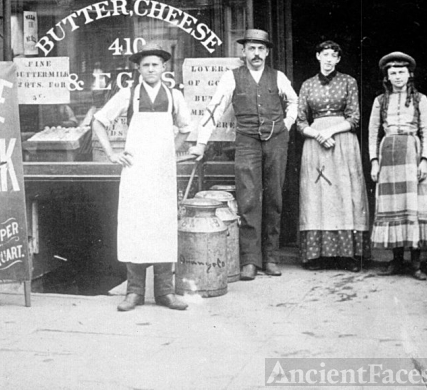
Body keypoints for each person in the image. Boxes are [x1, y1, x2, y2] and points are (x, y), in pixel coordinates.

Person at [190, 29, 297, 280]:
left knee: (274, 197)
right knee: (248, 197)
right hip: (247, 142)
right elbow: (214, 108)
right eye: (252, 48)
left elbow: (294, 102)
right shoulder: (232, 77)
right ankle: (250, 260)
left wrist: (286, 124)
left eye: (261, 49)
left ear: (267, 52)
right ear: (244, 51)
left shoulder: (278, 77)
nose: (256, 53)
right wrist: (201, 143)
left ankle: (271, 257)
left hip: (276, 141)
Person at [93, 42, 192, 310]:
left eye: (155, 65)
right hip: (135, 171)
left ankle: (165, 292)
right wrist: (111, 154)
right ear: (138, 68)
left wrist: (170, 151)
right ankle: (134, 292)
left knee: (163, 225)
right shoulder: (128, 95)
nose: (150, 69)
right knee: (134, 225)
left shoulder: (174, 97)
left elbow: (185, 128)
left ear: (163, 68)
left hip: (162, 173)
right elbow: (99, 121)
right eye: (145, 65)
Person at [296, 41, 369, 271]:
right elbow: (300, 122)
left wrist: (330, 131)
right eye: (325, 54)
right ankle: (317, 256)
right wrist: (318, 135)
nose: (329, 59)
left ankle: (349, 256)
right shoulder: (307, 85)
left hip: (342, 141)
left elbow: (354, 118)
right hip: (315, 145)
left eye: (333, 56)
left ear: (338, 59)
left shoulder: (349, 82)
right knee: (317, 195)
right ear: (318, 56)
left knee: (345, 192)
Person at [369, 51, 427, 280]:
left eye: (401, 72)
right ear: (387, 76)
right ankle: (396, 261)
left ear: (410, 74)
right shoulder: (380, 101)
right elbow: (372, 134)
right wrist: (374, 162)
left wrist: (425, 160)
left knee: (413, 206)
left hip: (412, 154)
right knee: (393, 206)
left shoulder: (420, 99)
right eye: (393, 72)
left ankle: (416, 264)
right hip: (388, 155)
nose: (397, 76)